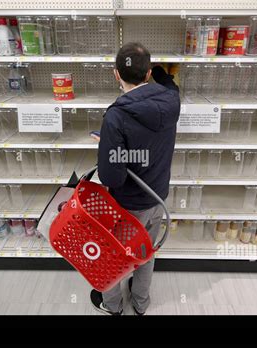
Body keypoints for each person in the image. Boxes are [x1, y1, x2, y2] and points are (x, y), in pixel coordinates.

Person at [90, 42, 180, 315]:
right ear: (148, 72)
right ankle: (141, 303)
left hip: (127, 208)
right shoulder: (172, 99)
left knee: (111, 255)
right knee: (145, 253)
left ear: (116, 74)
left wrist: (106, 147)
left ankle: (113, 305)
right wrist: (163, 73)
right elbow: (169, 83)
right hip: (157, 198)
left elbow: (111, 177)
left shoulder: (116, 116)